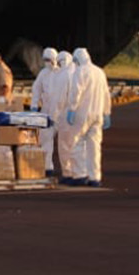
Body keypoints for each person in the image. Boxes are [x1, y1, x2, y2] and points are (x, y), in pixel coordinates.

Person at [64, 48, 112, 187]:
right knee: (94, 147)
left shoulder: (79, 71)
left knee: (76, 143)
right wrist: (107, 112)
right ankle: (95, 177)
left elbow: (75, 93)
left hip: (82, 113)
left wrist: (71, 109)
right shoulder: (99, 72)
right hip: (98, 114)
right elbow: (106, 94)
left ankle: (80, 175)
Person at [30, 47, 62, 175]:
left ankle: (72, 170)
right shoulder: (43, 73)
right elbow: (36, 89)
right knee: (45, 140)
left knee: (67, 143)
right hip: (47, 111)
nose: (47, 62)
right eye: (45, 60)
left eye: (49, 59)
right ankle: (48, 167)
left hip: (61, 112)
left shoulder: (62, 73)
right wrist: (34, 105)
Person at [52, 50, 78, 181]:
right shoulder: (78, 72)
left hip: (66, 114)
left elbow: (60, 99)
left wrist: (54, 116)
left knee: (64, 145)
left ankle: (68, 173)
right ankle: (79, 172)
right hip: (78, 114)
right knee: (77, 145)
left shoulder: (64, 74)